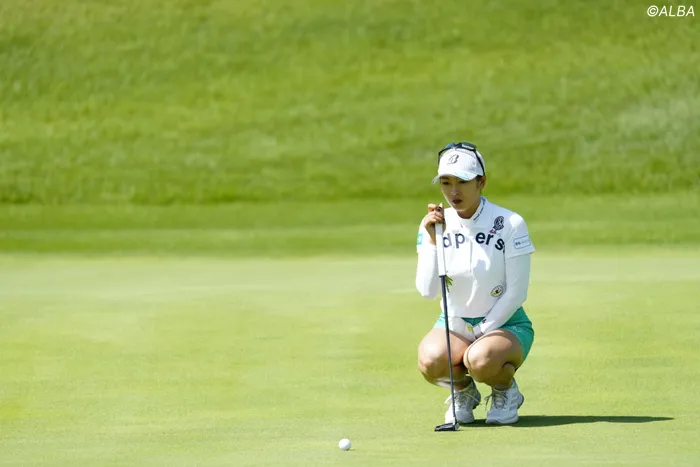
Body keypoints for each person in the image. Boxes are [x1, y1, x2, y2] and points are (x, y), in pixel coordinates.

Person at [415, 142, 536, 425]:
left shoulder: (510, 223)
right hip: (455, 323)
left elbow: (517, 292)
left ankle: (505, 390)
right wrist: (432, 242)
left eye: (462, 181)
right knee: (430, 361)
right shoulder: (434, 224)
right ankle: (464, 392)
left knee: (480, 359)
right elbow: (427, 291)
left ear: (481, 182)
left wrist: (482, 330)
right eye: (446, 182)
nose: (453, 191)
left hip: (507, 324)